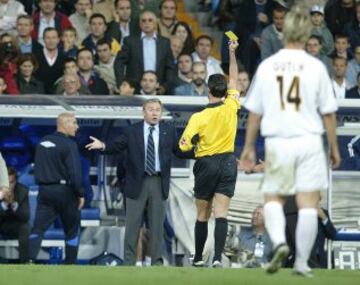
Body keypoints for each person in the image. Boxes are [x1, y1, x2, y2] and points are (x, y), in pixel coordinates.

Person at [239, 5, 341, 277]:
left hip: (279, 140)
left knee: (273, 198)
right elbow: (328, 113)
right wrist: (333, 147)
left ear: (283, 30)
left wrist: (249, 147)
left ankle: (281, 242)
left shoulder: (268, 66)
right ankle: (301, 263)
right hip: (309, 140)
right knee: (309, 204)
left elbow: (255, 113)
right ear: (306, 32)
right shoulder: (316, 66)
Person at [86, 98, 194, 265]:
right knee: (132, 227)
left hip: (159, 182)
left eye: (157, 110)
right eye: (150, 109)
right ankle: (129, 263)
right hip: (136, 182)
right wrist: (103, 146)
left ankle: (156, 262)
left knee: (157, 227)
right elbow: (116, 146)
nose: (154, 113)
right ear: (143, 112)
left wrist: (201, 151)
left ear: (161, 112)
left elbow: (179, 151)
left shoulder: (169, 130)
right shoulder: (132, 131)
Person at [178, 40, 240, 267]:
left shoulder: (198, 117)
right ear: (226, 91)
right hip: (228, 162)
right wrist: (232, 53)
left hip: (206, 164)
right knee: (221, 213)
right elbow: (234, 76)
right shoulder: (232, 106)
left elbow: (183, 145)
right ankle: (216, 258)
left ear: (208, 89)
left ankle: (197, 257)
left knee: (202, 215)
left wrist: (195, 145)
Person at [29, 112, 85, 264]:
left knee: (38, 228)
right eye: (74, 123)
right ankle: (70, 264)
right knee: (72, 229)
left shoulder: (42, 141)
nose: (77, 126)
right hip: (65, 192)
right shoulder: (69, 144)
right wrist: (80, 193)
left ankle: (28, 261)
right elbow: (75, 173)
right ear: (64, 124)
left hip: (44, 191)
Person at [0, 167, 30, 263]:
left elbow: (25, 217)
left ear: (16, 182)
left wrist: (13, 204)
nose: (8, 186)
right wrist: (4, 205)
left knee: (26, 227)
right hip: (1, 225)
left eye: (11, 182)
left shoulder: (23, 191)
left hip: (16, 225)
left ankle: (24, 262)